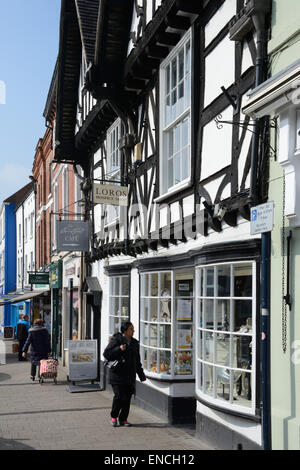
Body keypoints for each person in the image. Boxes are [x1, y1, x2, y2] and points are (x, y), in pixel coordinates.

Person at [103, 321, 146, 427]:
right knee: (118, 396)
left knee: (127, 398)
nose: (133, 331)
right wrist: (119, 349)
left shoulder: (135, 343)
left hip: (129, 375)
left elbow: (137, 361)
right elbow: (106, 354)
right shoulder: (117, 340)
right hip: (117, 375)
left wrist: (141, 375)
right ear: (125, 331)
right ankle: (114, 416)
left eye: (133, 329)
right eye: (131, 329)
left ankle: (123, 419)